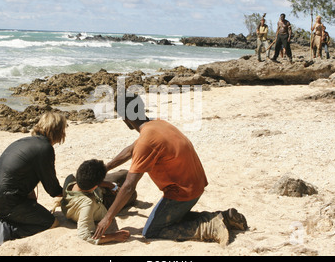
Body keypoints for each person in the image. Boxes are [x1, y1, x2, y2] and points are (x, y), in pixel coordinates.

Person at [92, 95, 248, 247]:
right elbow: (131, 149)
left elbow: (128, 186)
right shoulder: (158, 125)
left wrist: (108, 217)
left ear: (125, 118)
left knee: (152, 230)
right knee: (167, 219)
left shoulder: (146, 141)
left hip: (182, 194)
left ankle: (209, 226)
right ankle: (224, 216)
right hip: (196, 185)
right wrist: (106, 168)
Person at [0, 112, 67, 247]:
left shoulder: (24, 141)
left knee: (31, 210)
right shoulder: (45, 149)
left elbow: (20, 176)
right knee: (50, 222)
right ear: (58, 131)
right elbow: (53, 190)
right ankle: (1, 230)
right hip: (7, 201)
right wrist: (71, 193)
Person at [61, 159, 137, 245]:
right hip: (100, 203)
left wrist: (110, 185)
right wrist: (114, 236)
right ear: (95, 186)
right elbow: (84, 235)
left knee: (125, 174)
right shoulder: (87, 205)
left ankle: (110, 183)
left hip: (94, 192)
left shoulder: (70, 178)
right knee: (131, 194)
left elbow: (90, 183)